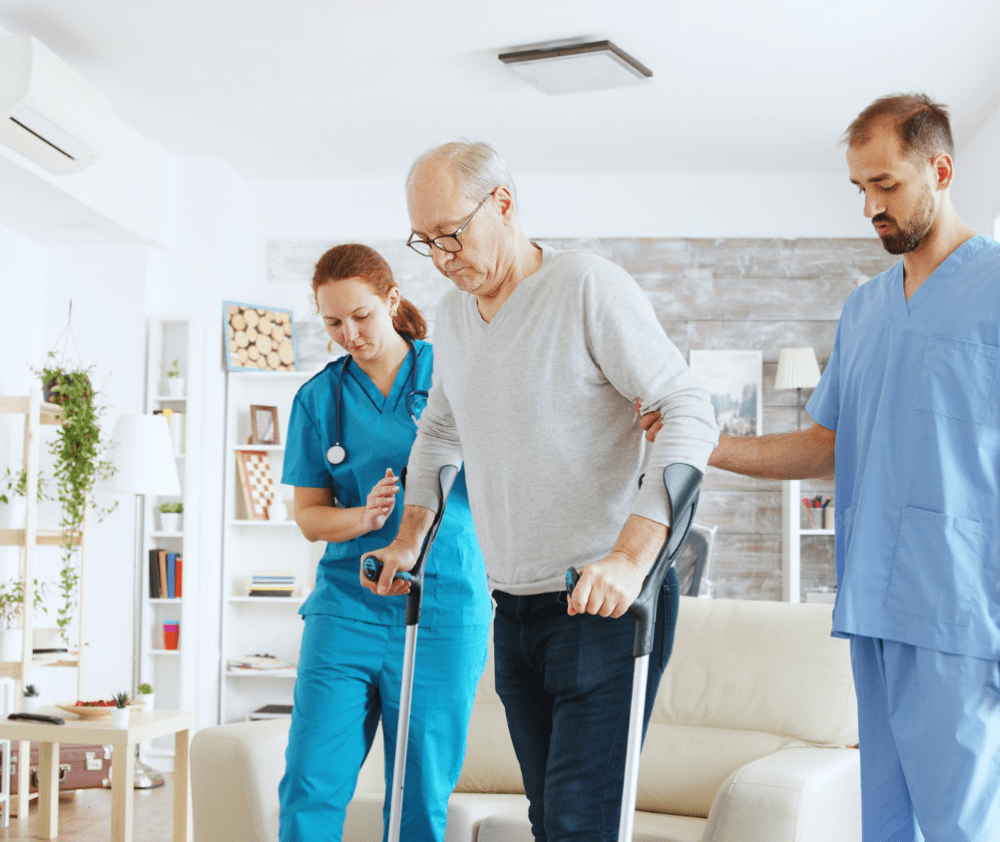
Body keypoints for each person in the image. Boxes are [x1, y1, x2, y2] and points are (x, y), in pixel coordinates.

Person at [363, 141, 718, 841]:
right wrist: (409, 541)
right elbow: (438, 433)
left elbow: (686, 409)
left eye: (451, 235)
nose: (441, 257)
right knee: (549, 820)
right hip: (515, 609)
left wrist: (630, 557)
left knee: (580, 825)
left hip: (601, 604)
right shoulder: (457, 315)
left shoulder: (586, 286)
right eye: (425, 241)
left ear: (502, 204)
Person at [690, 94, 1000, 842]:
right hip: (872, 599)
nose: (869, 207)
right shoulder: (863, 310)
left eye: (885, 185)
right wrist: (703, 443)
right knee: (887, 827)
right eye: (859, 189)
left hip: (961, 602)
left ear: (942, 171)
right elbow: (828, 445)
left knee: (961, 825)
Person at [277, 243, 492, 842]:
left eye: (361, 316)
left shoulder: (456, 369)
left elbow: (508, 473)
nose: (349, 333)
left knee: (417, 795)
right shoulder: (319, 398)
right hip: (345, 607)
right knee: (309, 784)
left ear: (391, 301)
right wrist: (365, 520)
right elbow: (311, 518)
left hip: (442, 605)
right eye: (333, 322)